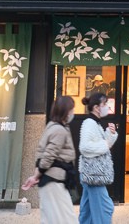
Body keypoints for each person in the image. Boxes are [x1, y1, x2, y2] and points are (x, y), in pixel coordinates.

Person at [22, 95, 77, 224]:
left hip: (50, 181)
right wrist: (36, 175)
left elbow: (42, 153)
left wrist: (36, 176)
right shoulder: (59, 130)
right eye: (72, 109)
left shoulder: (52, 126)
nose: (73, 113)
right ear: (65, 111)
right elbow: (48, 156)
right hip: (55, 181)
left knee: (50, 218)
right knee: (66, 218)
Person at [79, 92, 117, 224]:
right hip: (94, 175)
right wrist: (105, 144)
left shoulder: (95, 123)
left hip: (91, 174)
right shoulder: (89, 123)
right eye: (105, 104)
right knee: (105, 208)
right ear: (96, 107)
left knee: (87, 210)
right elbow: (85, 147)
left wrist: (110, 134)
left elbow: (103, 146)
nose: (107, 107)